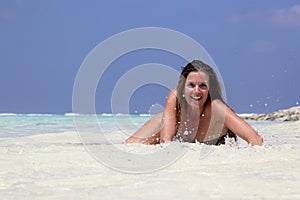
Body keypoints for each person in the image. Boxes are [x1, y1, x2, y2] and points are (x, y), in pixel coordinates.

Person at [125, 60, 263, 146]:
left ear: (210, 89)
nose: (196, 91)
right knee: (131, 145)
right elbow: (166, 143)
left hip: (213, 147)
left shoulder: (216, 107)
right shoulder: (175, 97)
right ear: (182, 87)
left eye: (203, 86)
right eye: (191, 85)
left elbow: (255, 139)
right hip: (181, 141)